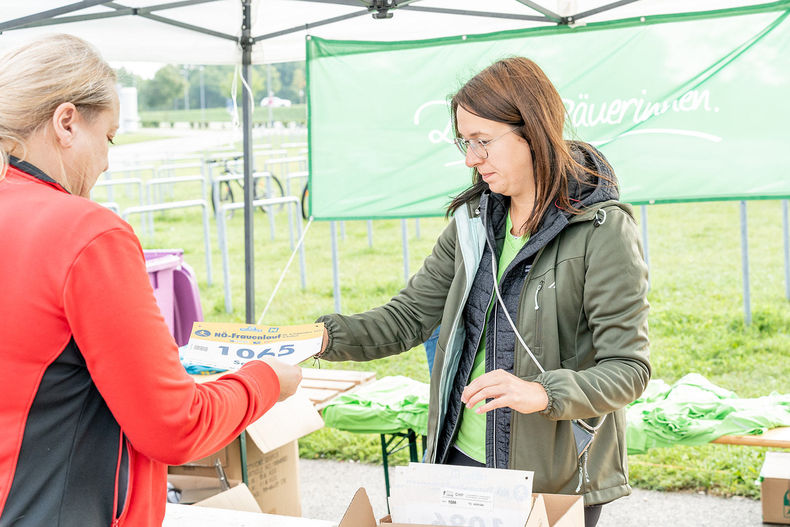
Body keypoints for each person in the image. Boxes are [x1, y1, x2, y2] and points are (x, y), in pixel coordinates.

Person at [315, 57, 650, 527]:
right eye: (464, 142)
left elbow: (628, 370)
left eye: (483, 142)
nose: (471, 159)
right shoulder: (473, 222)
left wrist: (542, 392)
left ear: (533, 132)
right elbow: (408, 317)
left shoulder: (603, 230)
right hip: (458, 463)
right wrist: (317, 339)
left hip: (550, 480)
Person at [0, 34, 302, 527]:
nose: (107, 159)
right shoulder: (86, 232)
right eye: (110, 137)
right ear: (67, 122)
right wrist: (265, 380)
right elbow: (174, 427)